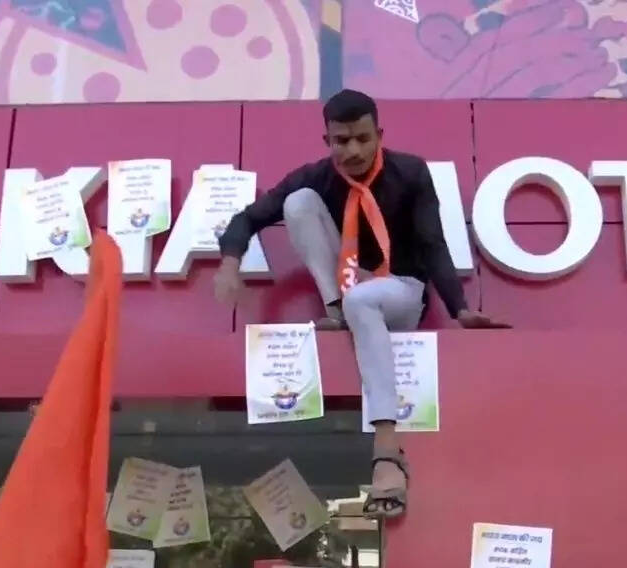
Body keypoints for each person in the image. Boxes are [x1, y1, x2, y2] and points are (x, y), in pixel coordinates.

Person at [213, 88, 507, 519]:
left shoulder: (411, 172)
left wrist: (460, 308)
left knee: (365, 298)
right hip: (349, 288)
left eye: (362, 139)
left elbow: (433, 243)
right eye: (341, 140)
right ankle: (336, 307)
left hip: (401, 290)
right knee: (298, 203)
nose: (352, 150)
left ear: (379, 136)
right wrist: (229, 264)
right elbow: (248, 218)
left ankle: (386, 448)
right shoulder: (316, 176)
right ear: (327, 141)